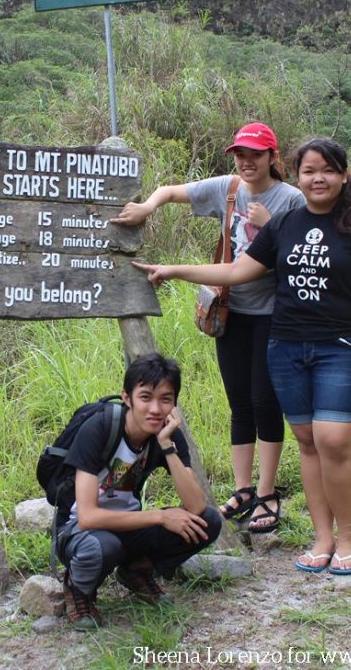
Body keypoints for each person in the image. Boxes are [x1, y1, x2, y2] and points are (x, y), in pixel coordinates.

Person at [133, 138, 351, 576]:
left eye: (327, 170)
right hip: (286, 347)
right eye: (309, 171)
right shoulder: (285, 224)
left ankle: (347, 537)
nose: (318, 178)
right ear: (299, 175)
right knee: (308, 443)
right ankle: (322, 537)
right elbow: (235, 271)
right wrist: (174, 270)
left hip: (341, 349)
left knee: (334, 440)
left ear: (343, 175)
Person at [114, 122, 305, 533]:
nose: (246, 161)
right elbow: (169, 191)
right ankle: (244, 489)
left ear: (273, 157)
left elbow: (299, 258)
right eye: (240, 154)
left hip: (274, 314)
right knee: (239, 401)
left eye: (255, 154)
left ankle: (269, 493)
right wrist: (148, 206)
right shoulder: (228, 188)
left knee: (264, 401)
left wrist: (269, 223)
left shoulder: (291, 200)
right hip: (231, 312)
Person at [57, 353, 223, 630]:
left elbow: (195, 505)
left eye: (165, 399)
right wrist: (160, 516)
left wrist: (167, 444)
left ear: (174, 404)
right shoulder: (98, 428)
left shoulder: (166, 435)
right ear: (127, 398)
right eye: (145, 397)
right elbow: (87, 517)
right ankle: (78, 589)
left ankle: (136, 571)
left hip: (126, 526)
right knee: (102, 546)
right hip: (77, 530)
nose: (155, 409)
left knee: (207, 521)